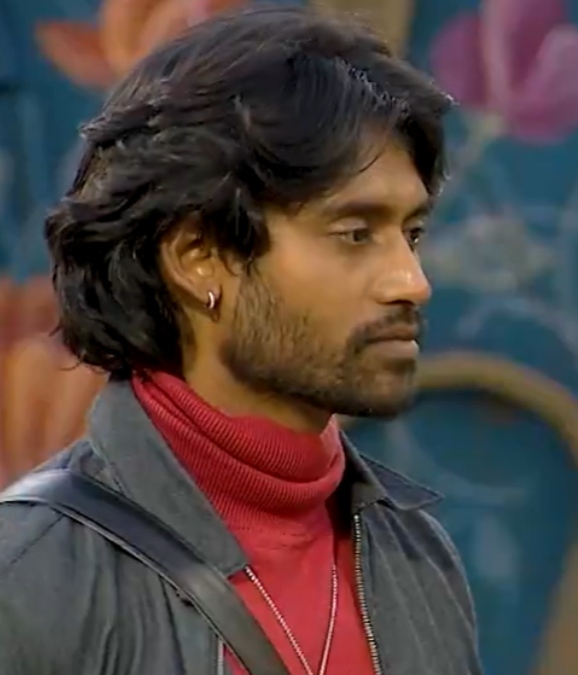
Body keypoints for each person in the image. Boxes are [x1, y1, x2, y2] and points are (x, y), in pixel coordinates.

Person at [0, 6, 482, 675]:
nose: (412, 281)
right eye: (356, 233)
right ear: (198, 256)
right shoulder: (33, 577)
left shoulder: (415, 555)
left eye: (413, 233)